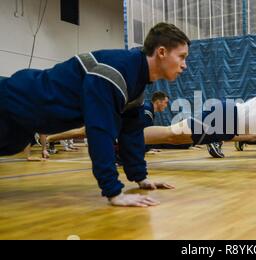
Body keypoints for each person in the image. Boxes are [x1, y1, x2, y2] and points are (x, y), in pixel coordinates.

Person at [0, 23, 190, 207]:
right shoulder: (115, 72)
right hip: (11, 98)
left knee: (14, 145)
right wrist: (114, 192)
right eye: (182, 57)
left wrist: (141, 178)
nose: (185, 65)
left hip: (24, 122)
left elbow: (131, 132)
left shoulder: (136, 84)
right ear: (162, 52)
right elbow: (100, 130)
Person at [144, 69, 256, 171]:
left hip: (227, 123)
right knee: (172, 133)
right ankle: (125, 138)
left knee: (175, 137)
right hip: (225, 116)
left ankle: (130, 140)